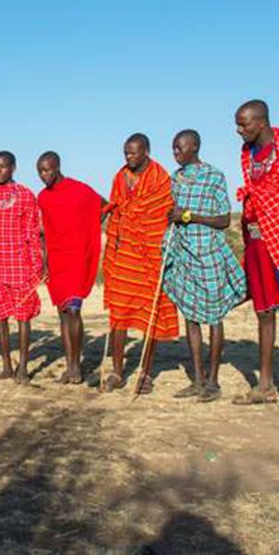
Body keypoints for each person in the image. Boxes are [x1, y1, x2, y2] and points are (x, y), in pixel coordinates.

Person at [162, 130, 246, 402]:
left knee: (213, 316)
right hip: (183, 253)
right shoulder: (175, 178)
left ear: (194, 146)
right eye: (173, 148)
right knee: (190, 314)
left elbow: (223, 219)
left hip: (208, 252)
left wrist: (188, 216)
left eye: (179, 147)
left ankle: (213, 381)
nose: (175, 152)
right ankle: (197, 379)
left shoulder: (214, 176)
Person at [233, 100, 279, 408]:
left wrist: (260, 200)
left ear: (261, 122)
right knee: (264, 312)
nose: (239, 130)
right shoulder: (247, 154)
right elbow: (255, 191)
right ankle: (265, 384)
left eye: (244, 124)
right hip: (256, 240)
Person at [101, 133, 175, 394]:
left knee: (149, 311)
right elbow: (114, 206)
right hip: (123, 254)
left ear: (146, 151)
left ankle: (145, 372)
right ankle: (118, 371)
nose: (128, 157)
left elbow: (162, 212)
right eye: (126, 153)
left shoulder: (160, 177)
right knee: (118, 313)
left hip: (149, 254)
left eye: (133, 152)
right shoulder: (120, 177)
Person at [36, 151, 103, 385]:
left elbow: (103, 207)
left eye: (47, 170)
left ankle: (78, 365)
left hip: (76, 257)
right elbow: (44, 231)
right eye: (40, 172)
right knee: (63, 314)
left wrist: (86, 233)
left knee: (74, 310)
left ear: (57, 166)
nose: (44, 176)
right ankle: (70, 367)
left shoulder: (79, 189)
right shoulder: (42, 197)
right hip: (56, 259)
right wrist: (44, 261)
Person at [0, 151, 44, 385]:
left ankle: (23, 368)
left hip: (20, 266)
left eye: (3, 166)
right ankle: (6, 366)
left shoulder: (26, 196)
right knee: (0, 317)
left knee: (23, 317)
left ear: (13, 167)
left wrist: (37, 265)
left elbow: (33, 233)